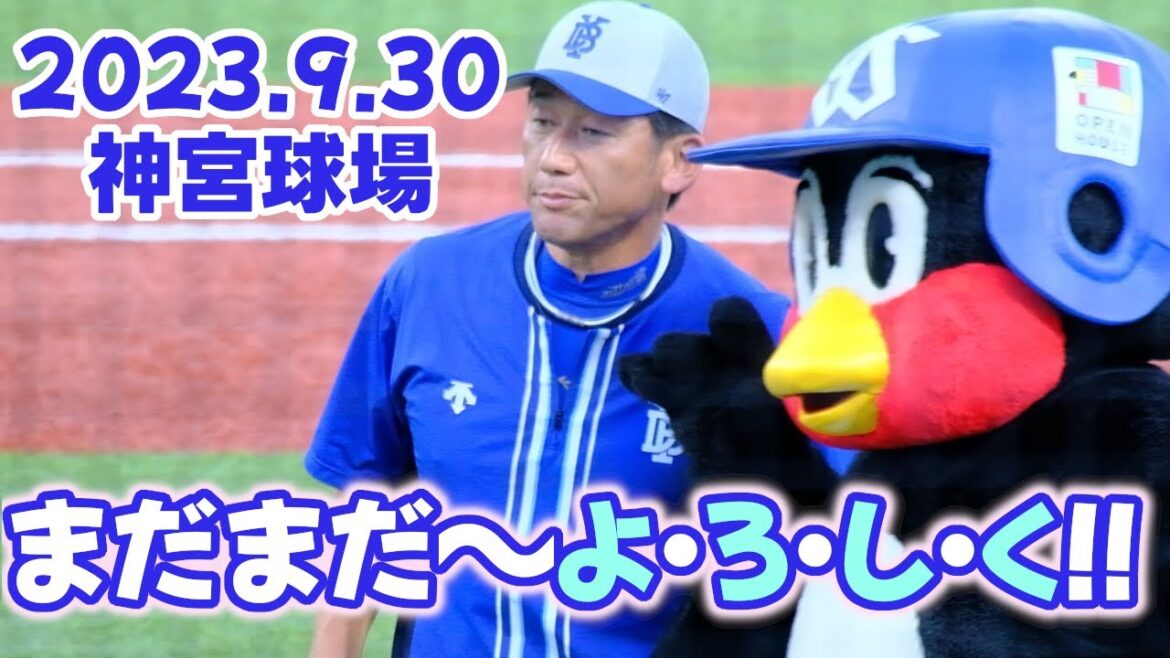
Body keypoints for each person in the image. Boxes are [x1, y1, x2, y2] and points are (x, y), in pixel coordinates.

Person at [304, 2, 808, 656]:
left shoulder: (743, 333)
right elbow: (366, 505)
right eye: (542, 122)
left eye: (593, 133)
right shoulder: (429, 284)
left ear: (679, 162)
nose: (553, 158)